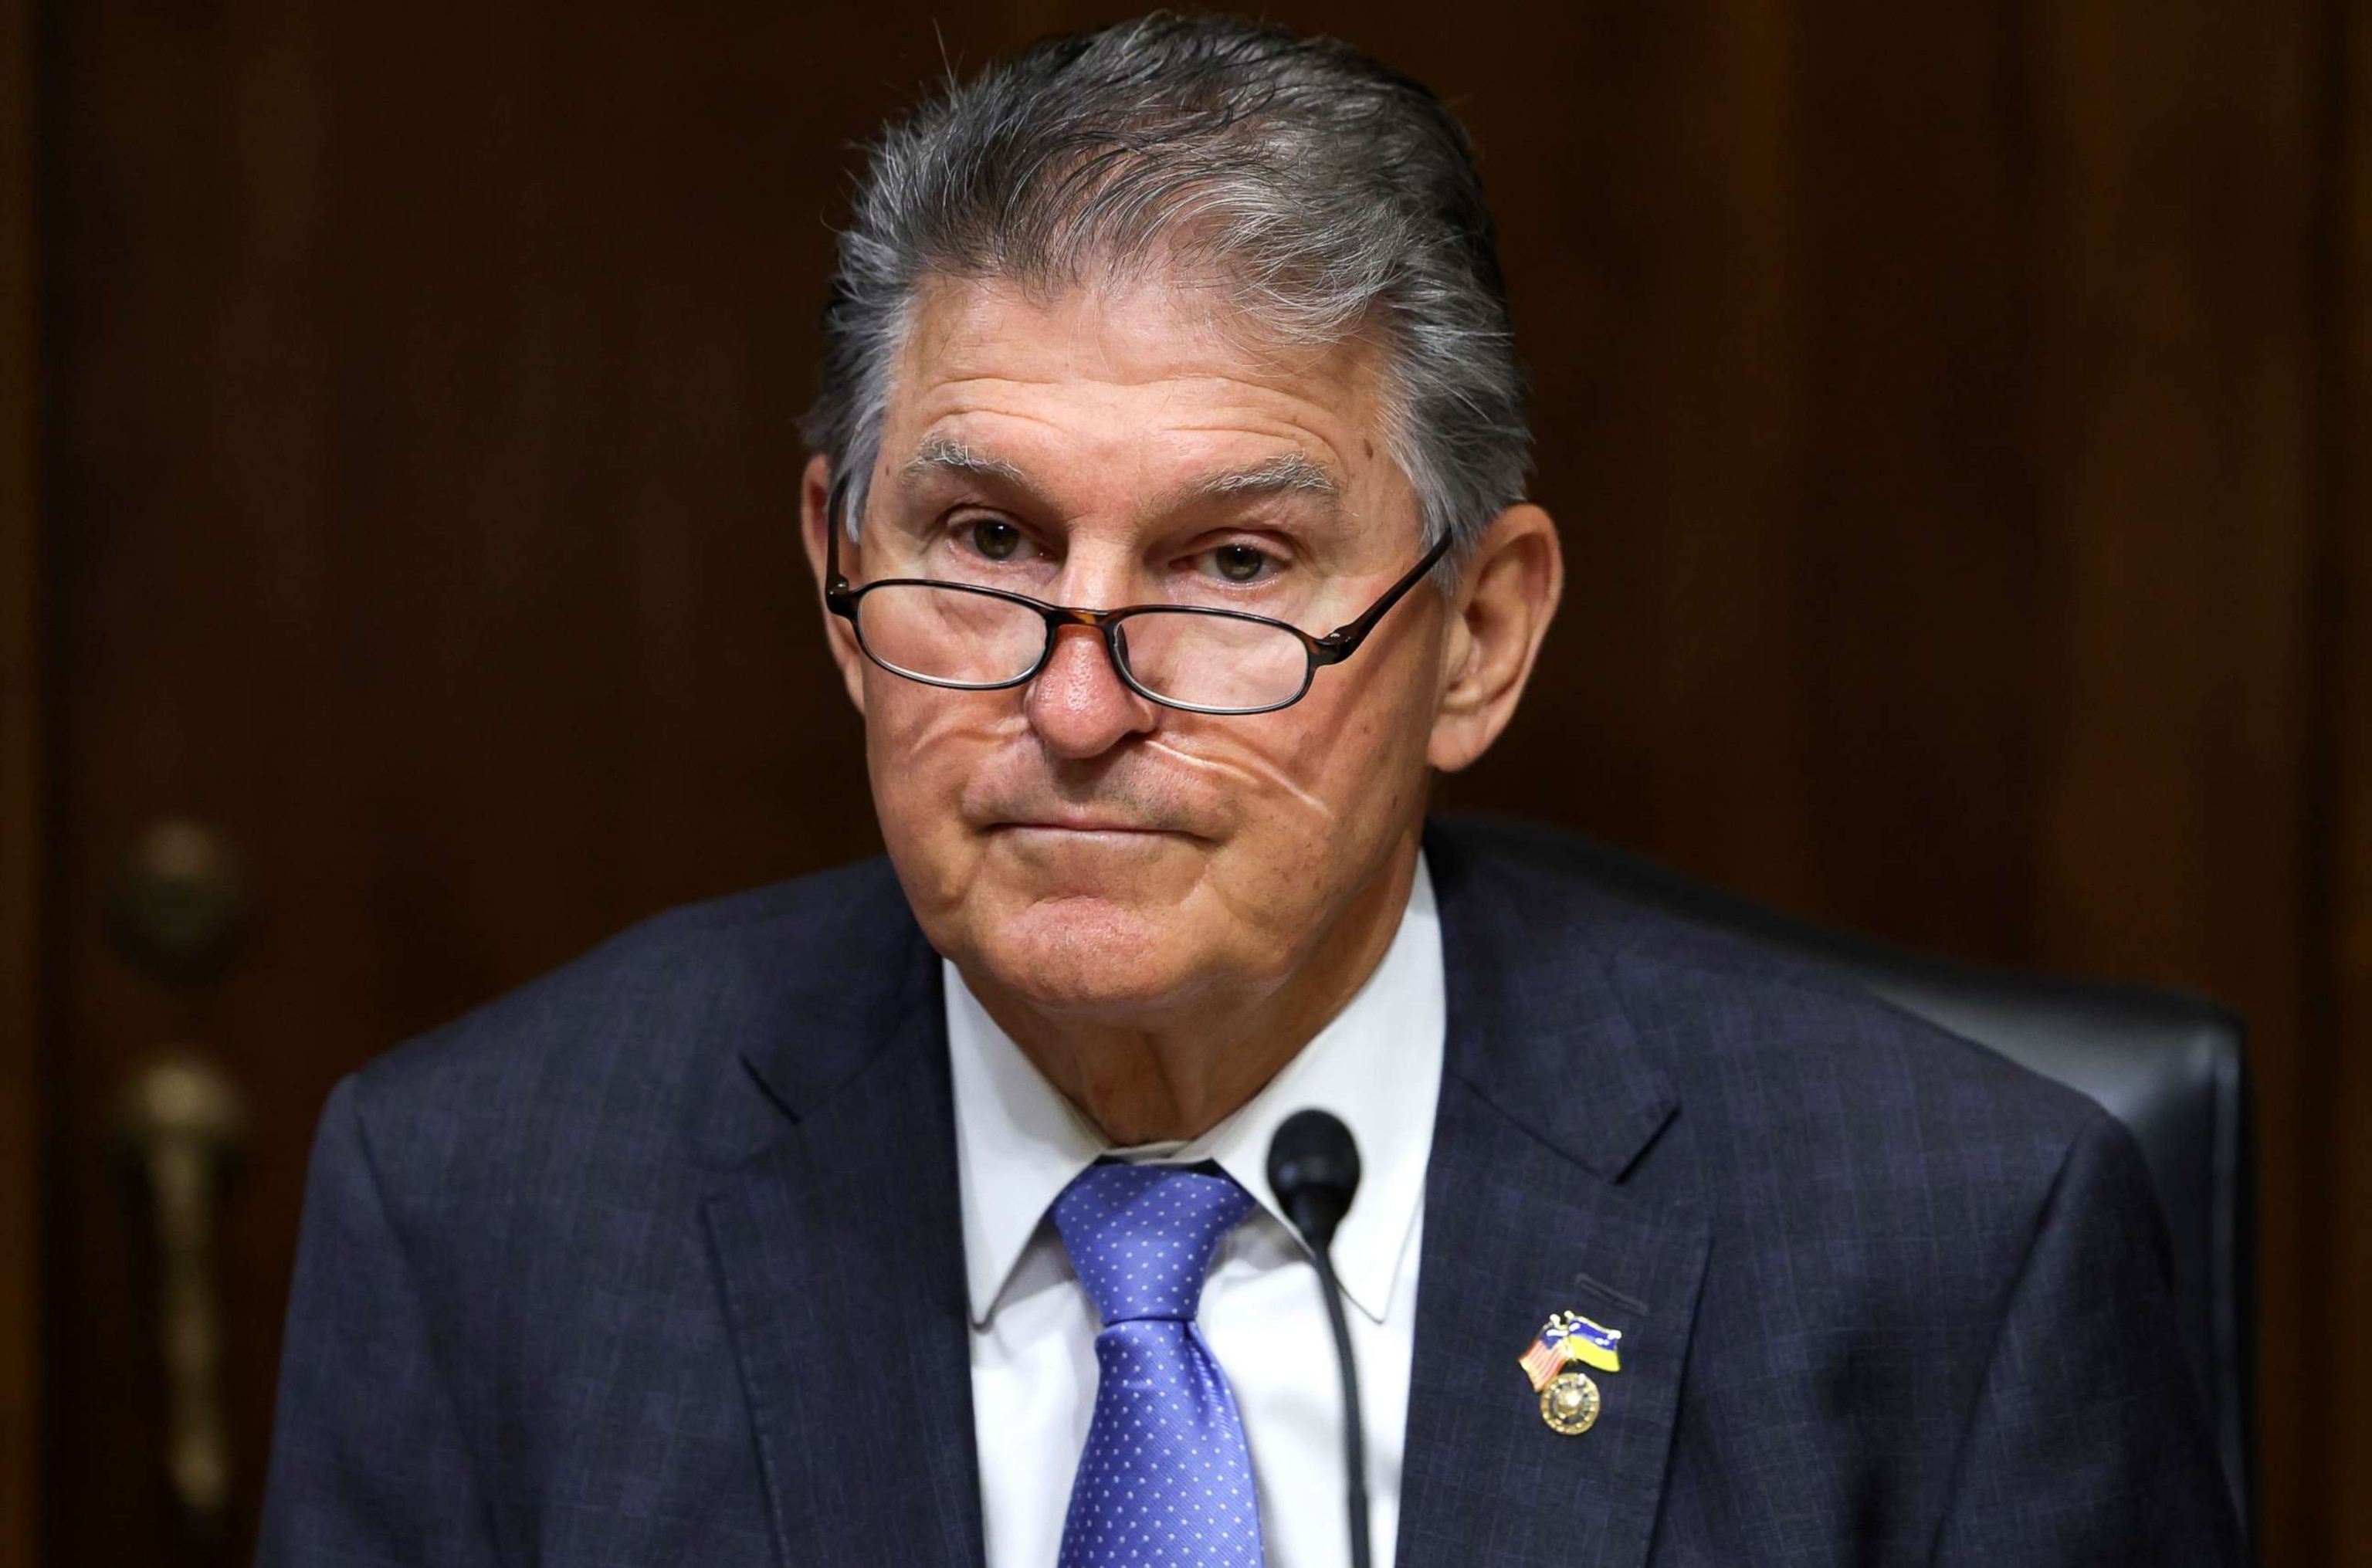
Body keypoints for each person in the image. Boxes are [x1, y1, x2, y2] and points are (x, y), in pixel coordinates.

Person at [256, 15, 2242, 1567]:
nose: (1081, 697)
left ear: (1480, 635)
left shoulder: (1944, 1246)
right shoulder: (487, 1207)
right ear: (835, 574)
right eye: (986, 537)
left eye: (1232, 567)